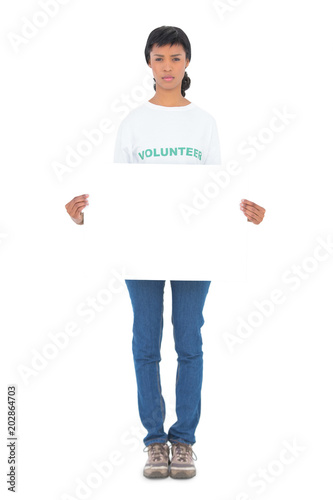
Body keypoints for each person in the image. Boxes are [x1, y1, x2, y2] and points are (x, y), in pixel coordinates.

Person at [65, 25, 266, 480]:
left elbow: (218, 189)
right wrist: (85, 218)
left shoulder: (205, 123)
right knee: (145, 343)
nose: (168, 67)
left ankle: (185, 441)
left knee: (189, 342)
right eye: (159, 58)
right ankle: (155, 442)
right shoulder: (133, 123)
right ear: (148, 64)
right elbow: (118, 194)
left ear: (188, 63)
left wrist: (247, 215)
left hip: (198, 250)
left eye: (176, 58)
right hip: (141, 248)